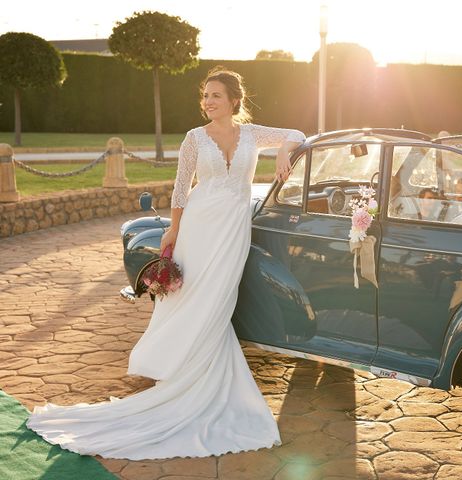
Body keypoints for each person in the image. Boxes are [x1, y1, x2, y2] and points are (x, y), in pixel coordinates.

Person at [27, 67, 305, 460]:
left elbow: (298, 135)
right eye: (205, 96)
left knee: (217, 301)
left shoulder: (254, 134)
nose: (208, 102)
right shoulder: (194, 138)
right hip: (199, 226)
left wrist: (281, 151)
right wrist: (173, 232)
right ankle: (182, 376)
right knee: (191, 298)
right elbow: (180, 186)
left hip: (233, 229)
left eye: (216, 96)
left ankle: (198, 379)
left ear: (234, 101)